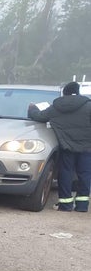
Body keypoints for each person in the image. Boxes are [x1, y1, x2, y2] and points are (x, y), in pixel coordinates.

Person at [28, 81, 91, 212]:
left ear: (64, 93)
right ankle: (82, 206)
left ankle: (65, 205)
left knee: (66, 173)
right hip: (87, 147)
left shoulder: (56, 107)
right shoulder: (88, 106)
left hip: (66, 146)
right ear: (78, 92)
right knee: (85, 174)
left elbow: (39, 117)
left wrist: (32, 108)